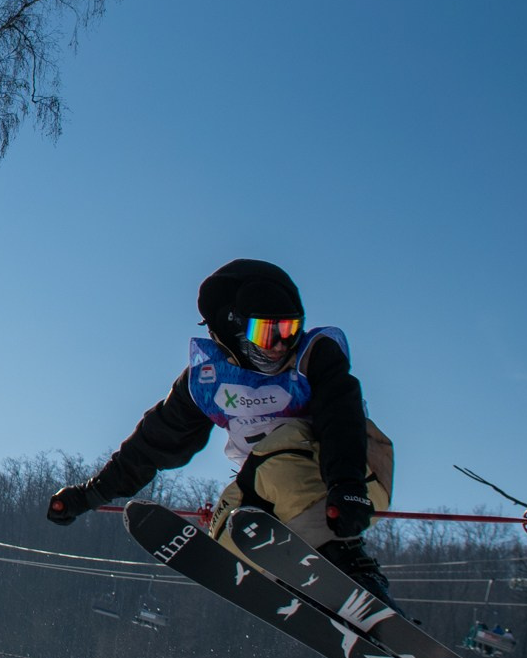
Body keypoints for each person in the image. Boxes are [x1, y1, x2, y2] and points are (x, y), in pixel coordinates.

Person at [45, 258, 397, 602]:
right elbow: (150, 445)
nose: (279, 345)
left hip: (351, 481)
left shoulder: (313, 356)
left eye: (289, 330)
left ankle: (352, 566)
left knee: (276, 458)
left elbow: (341, 415)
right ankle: (306, 588)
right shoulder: (208, 380)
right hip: (280, 495)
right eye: (266, 332)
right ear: (233, 330)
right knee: (230, 528)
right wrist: (87, 496)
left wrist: (346, 487)